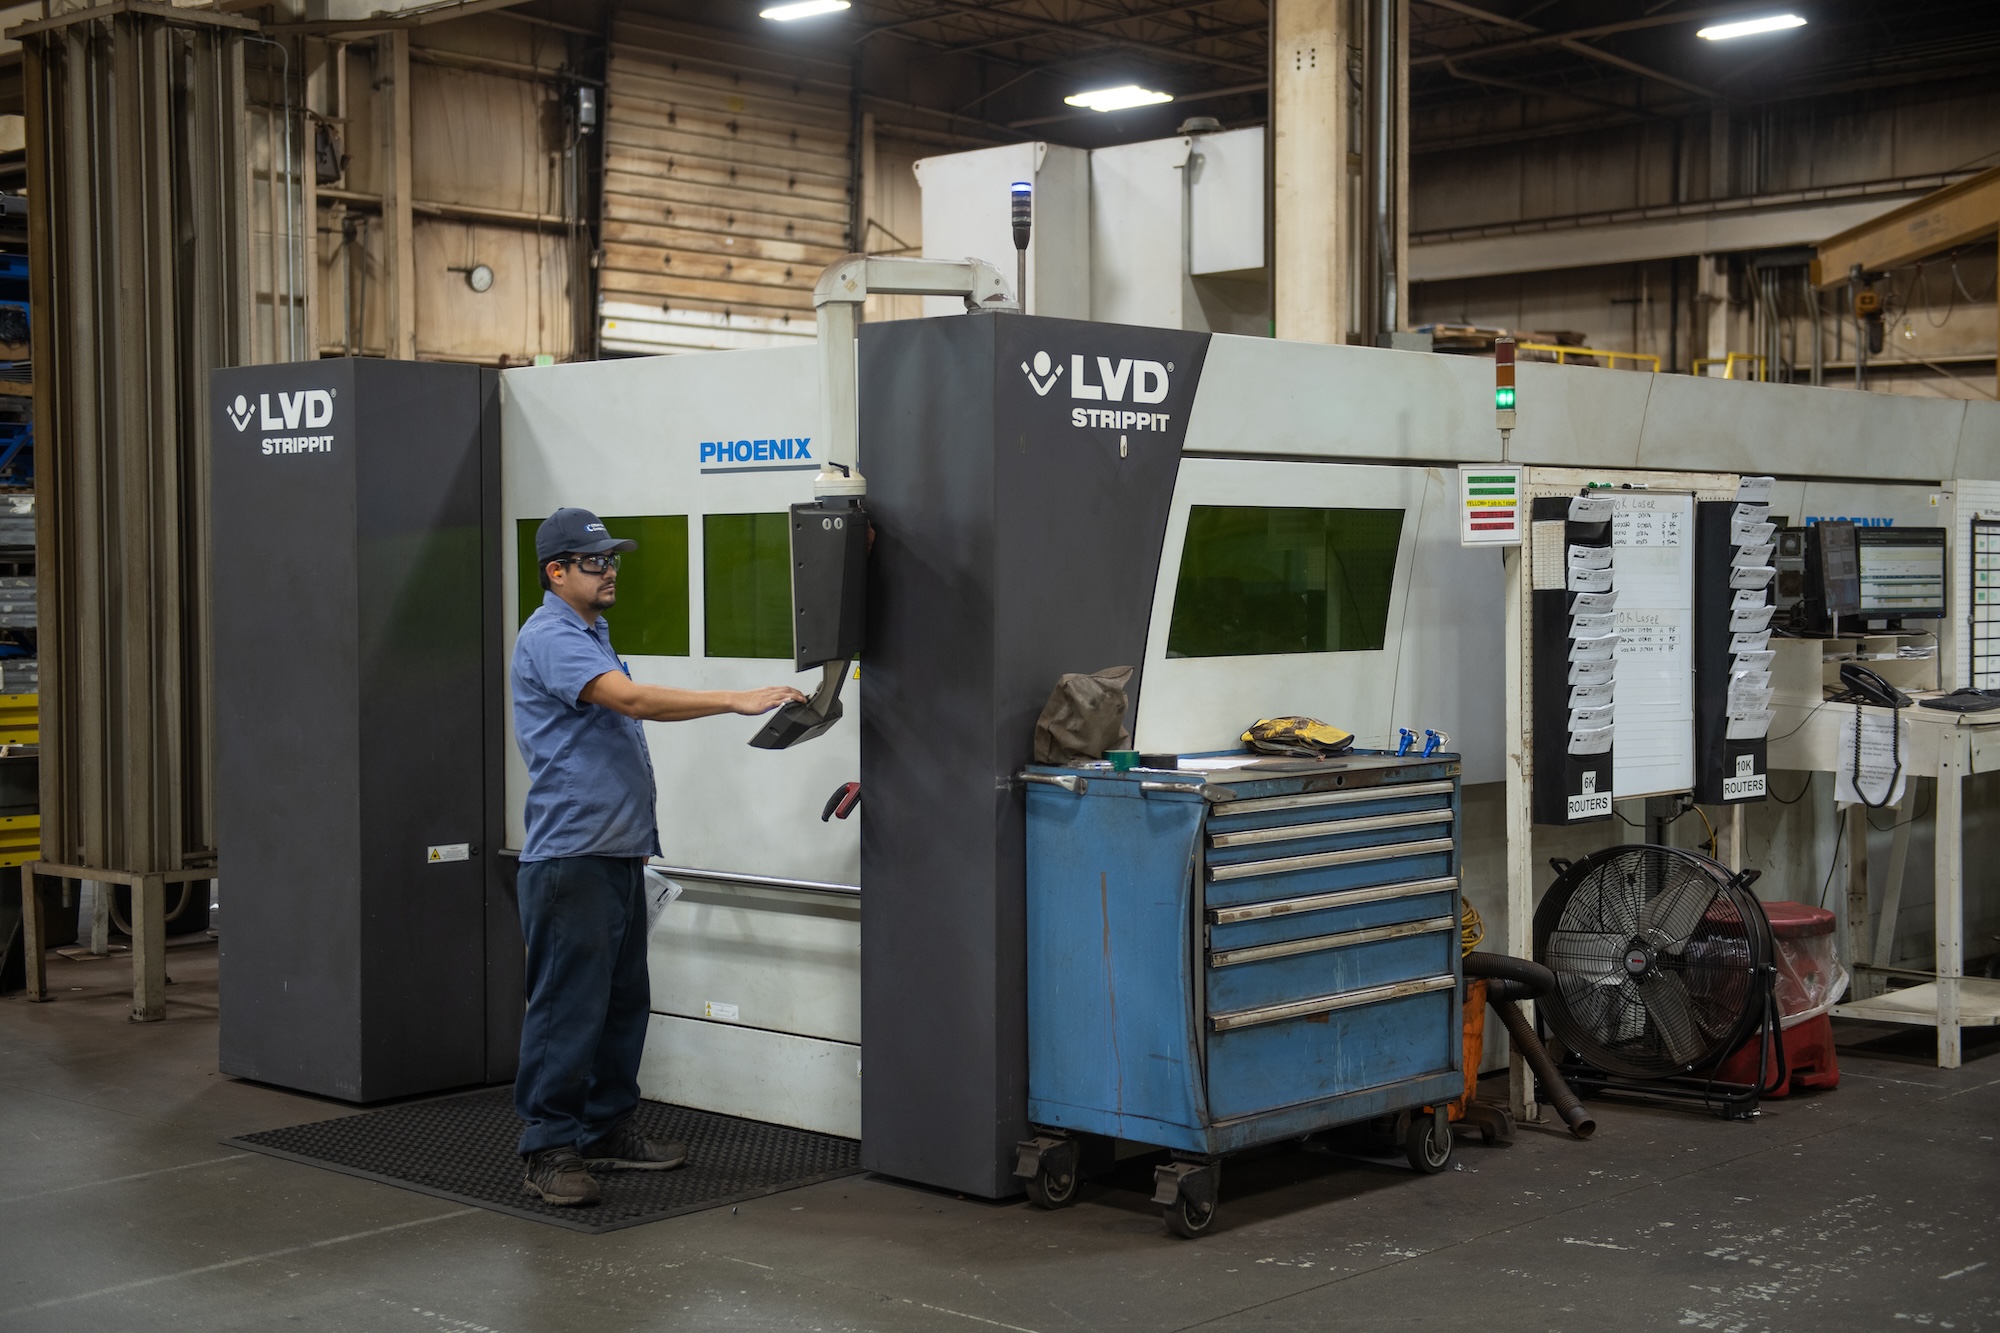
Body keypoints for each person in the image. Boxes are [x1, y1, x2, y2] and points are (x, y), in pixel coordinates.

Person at [511, 507, 806, 1206]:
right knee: (567, 1005)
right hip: (570, 855)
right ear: (556, 572)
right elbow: (633, 701)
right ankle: (547, 1147)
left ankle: (605, 1128)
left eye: (613, 559)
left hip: (616, 850)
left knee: (621, 1001)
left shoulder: (592, 630)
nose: (609, 570)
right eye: (594, 561)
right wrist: (736, 698)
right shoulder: (551, 635)